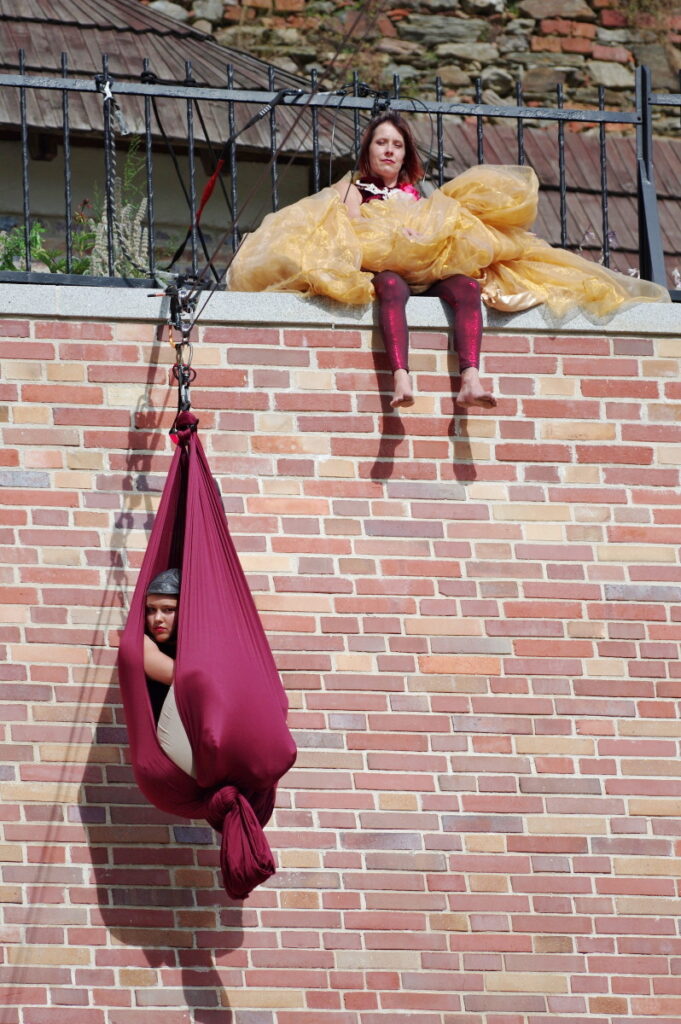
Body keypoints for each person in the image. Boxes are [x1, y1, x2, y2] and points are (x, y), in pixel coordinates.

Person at [332, 112, 495, 410]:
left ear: (406, 154)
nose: (389, 150)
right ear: (368, 149)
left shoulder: (418, 196)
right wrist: (395, 233)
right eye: (381, 142)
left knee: (468, 287)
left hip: (427, 274)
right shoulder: (351, 189)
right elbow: (354, 232)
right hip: (383, 272)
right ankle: (401, 377)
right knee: (392, 285)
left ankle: (471, 379)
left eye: (397, 144)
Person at [142, 568, 196, 778]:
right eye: (150, 610)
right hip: (171, 754)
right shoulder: (142, 644)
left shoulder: (195, 646)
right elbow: (189, 681)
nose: (157, 619)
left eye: (168, 610)